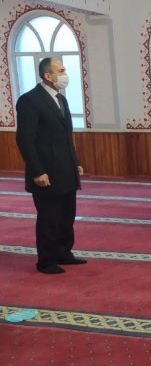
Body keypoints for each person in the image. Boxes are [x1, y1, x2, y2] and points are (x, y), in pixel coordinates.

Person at [15, 58, 86, 274]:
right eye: (61, 70)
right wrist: (38, 171)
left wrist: (75, 163)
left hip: (66, 171)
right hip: (46, 173)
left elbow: (66, 137)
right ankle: (46, 261)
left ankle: (64, 253)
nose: (65, 74)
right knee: (49, 218)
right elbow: (25, 140)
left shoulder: (61, 99)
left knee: (67, 216)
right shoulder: (30, 100)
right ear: (48, 76)